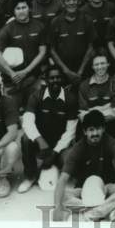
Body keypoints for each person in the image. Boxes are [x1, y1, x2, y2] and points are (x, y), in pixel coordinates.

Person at [53, 110, 115, 221]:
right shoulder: (78, 148)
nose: (95, 133)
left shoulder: (112, 143)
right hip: (83, 189)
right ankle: (105, 210)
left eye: (98, 129)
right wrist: (57, 207)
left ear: (103, 129)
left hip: (107, 186)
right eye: (91, 130)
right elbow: (63, 179)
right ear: (85, 131)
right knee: (60, 196)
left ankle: (89, 214)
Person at [17, 65, 79, 194]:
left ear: (63, 80)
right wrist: (40, 141)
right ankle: (30, 176)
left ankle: (56, 166)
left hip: (60, 145)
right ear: (45, 79)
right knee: (25, 139)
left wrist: (54, 152)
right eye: (52, 78)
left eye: (58, 77)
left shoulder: (71, 99)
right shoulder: (36, 96)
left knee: (68, 158)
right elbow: (27, 122)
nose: (55, 80)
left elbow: (70, 132)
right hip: (42, 143)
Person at [0, 0, 48, 107]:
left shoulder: (39, 26)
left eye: (24, 7)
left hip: (34, 79)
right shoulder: (7, 29)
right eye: (18, 8)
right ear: (13, 11)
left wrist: (26, 71)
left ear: (30, 9)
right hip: (12, 83)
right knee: (12, 114)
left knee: (36, 112)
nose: (21, 11)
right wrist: (12, 74)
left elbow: (43, 52)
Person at [48, 0, 96, 85]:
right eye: (68, 0)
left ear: (79, 1)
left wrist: (80, 72)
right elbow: (52, 50)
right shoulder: (55, 22)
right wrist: (66, 71)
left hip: (84, 71)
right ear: (63, 3)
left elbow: (91, 47)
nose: (72, 3)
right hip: (63, 72)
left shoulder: (87, 20)